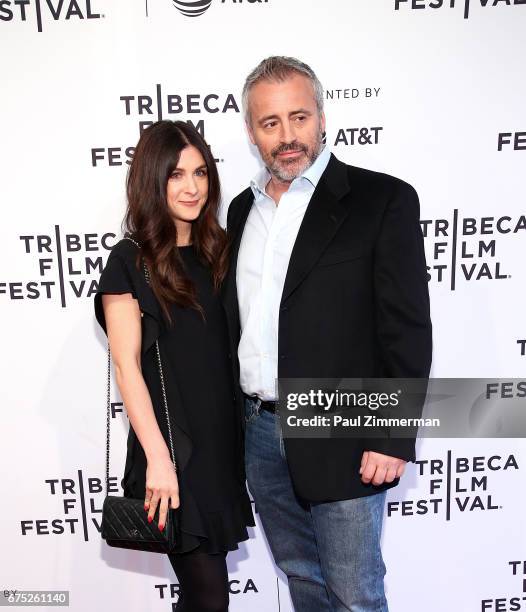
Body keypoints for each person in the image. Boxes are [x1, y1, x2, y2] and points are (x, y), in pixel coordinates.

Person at [222, 57, 432, 611]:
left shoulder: (381, 200)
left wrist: (390, 435)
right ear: (251, 131)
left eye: (299, 117)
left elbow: (406, 330)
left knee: (354, 594)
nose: (287, 136)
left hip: (343, 427)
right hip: (260, 432)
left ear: (321, 118)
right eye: (270, 123)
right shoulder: (241, 210)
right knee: (301, 579)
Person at [94, 120, 255, 612]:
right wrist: (160, 462)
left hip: (222, 449)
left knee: (207, 597)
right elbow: (127, 369)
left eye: (200, 173)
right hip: (172, 453)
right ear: (151, 180)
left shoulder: (221, 252)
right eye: (176, 175)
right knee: (207, 597)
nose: (192, 187)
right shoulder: (130, 261)